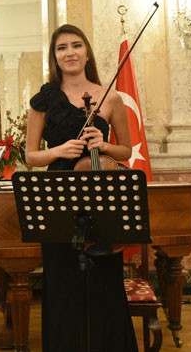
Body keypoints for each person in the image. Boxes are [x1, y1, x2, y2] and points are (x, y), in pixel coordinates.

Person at [25, 24, 136, 352]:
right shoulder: (43, 100)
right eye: (62, 48)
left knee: (103, 281)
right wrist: (59, 151)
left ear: (87, 52)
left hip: (101, 193)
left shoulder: (109, 96)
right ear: (54, 57)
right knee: (62, 281)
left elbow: (125, 151)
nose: (70, 52)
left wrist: (104, 144)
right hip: (58, 196)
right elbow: (31, 156)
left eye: (76, 45)